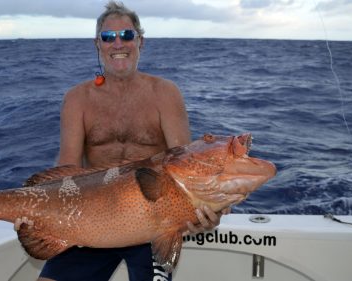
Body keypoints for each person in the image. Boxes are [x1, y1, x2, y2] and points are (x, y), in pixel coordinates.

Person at [36, 1, 229, 280]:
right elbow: (67, 164)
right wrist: (40, 211)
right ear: (97, 44)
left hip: (153, 225)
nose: (118, 44)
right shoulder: (77, 99)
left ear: (141, 41)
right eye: (108, 37)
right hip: (90, 221)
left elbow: (185, 168)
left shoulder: (165, 94)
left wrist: (205, 211)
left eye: (127, 35)